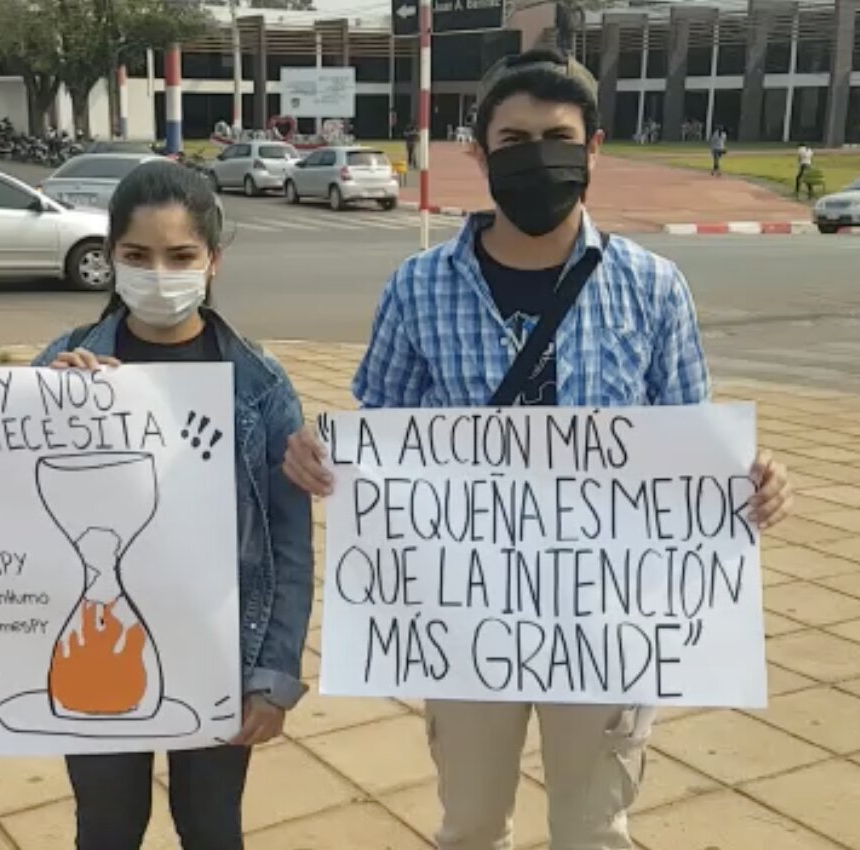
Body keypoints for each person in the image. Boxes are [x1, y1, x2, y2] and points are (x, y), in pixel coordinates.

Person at [277, 48, 795, 850]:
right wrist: (322, 453)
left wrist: (753, 485)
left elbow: (691, 451)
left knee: (593, 830)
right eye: (513, 139)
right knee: (472, 824)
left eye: (557, 135)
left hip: (607, 619)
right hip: (465, 613)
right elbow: (379, 439)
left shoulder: (653, 287)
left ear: (592, 151)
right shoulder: (418, 286)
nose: (536, 154)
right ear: (480, 154)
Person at [32, 161, 314, 850]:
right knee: (106, 826)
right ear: (111, 259)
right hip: (93, 642)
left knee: (213, 827)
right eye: (138, 256)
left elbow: (289, 541)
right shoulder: (66, 363)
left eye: (180, 255)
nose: (159, 273)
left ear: (212, 261)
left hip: (219, 651)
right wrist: (47, 400)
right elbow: (9, 502)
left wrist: (273, 676)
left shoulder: (259, 383)